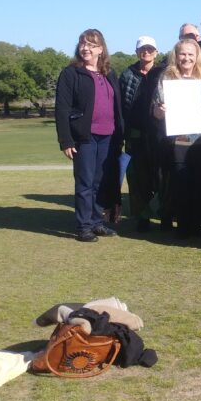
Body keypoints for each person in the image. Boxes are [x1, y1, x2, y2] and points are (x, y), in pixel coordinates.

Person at [55, 29, 123, 242]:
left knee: (100, 182)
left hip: (108, 136)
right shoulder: (71, 73)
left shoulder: (109, 73)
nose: (86, 48)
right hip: (84, 137)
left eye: (91, 45)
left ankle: (96, 222)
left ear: (101, 49)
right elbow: (62, 109)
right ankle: (84, 226)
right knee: (85, 182)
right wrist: (66, 140)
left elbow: (118, 106)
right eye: (83, 44)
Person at [152, 38, 201, 239]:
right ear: (176, 56)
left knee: (200, 184)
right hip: (178, 140)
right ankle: (183, 226)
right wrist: (161, 111)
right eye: (182, 54)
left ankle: (196, 225)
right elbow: (155, 111)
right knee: (181, 184)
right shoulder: (167, 79)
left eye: (191, 54)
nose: (186, 58)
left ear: (197, 56)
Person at [119, 35, 159, 233]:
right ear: (137, 52)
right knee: (138, 178)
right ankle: (142, 217)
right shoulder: (127, 74)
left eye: (150, 49)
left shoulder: (163, 73)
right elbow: (120, 106)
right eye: (143, 49)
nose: (146, 52)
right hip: (135, 134)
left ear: (156, 53)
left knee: (159, 177)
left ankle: (163, 214)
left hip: (158, 133)